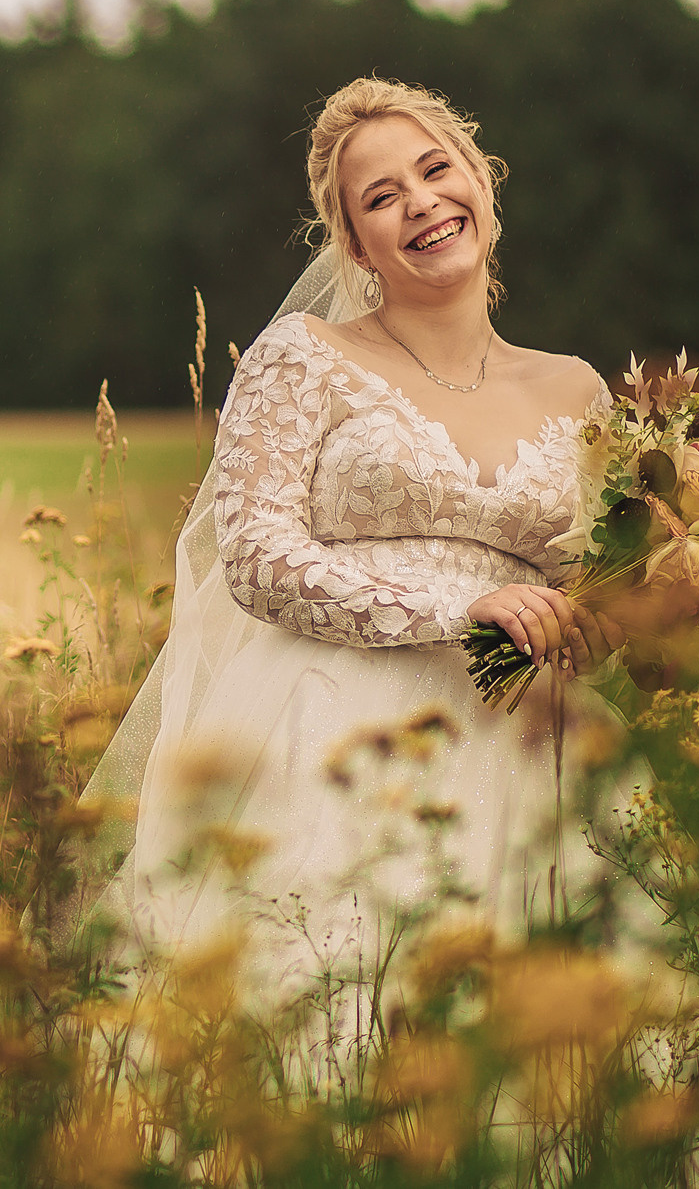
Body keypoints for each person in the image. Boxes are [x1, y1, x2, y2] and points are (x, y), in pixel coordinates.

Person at [74, 78, 620, 1073]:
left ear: (483, 186)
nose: (419, 201)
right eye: (379, 198)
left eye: (434, 169)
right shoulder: (305, 357)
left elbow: (600, 577)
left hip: (526, 742)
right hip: (328, 730)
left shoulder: (576, 385)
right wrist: (462, 606)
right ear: (356, 249)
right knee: (326, 1025)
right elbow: (253, 553)